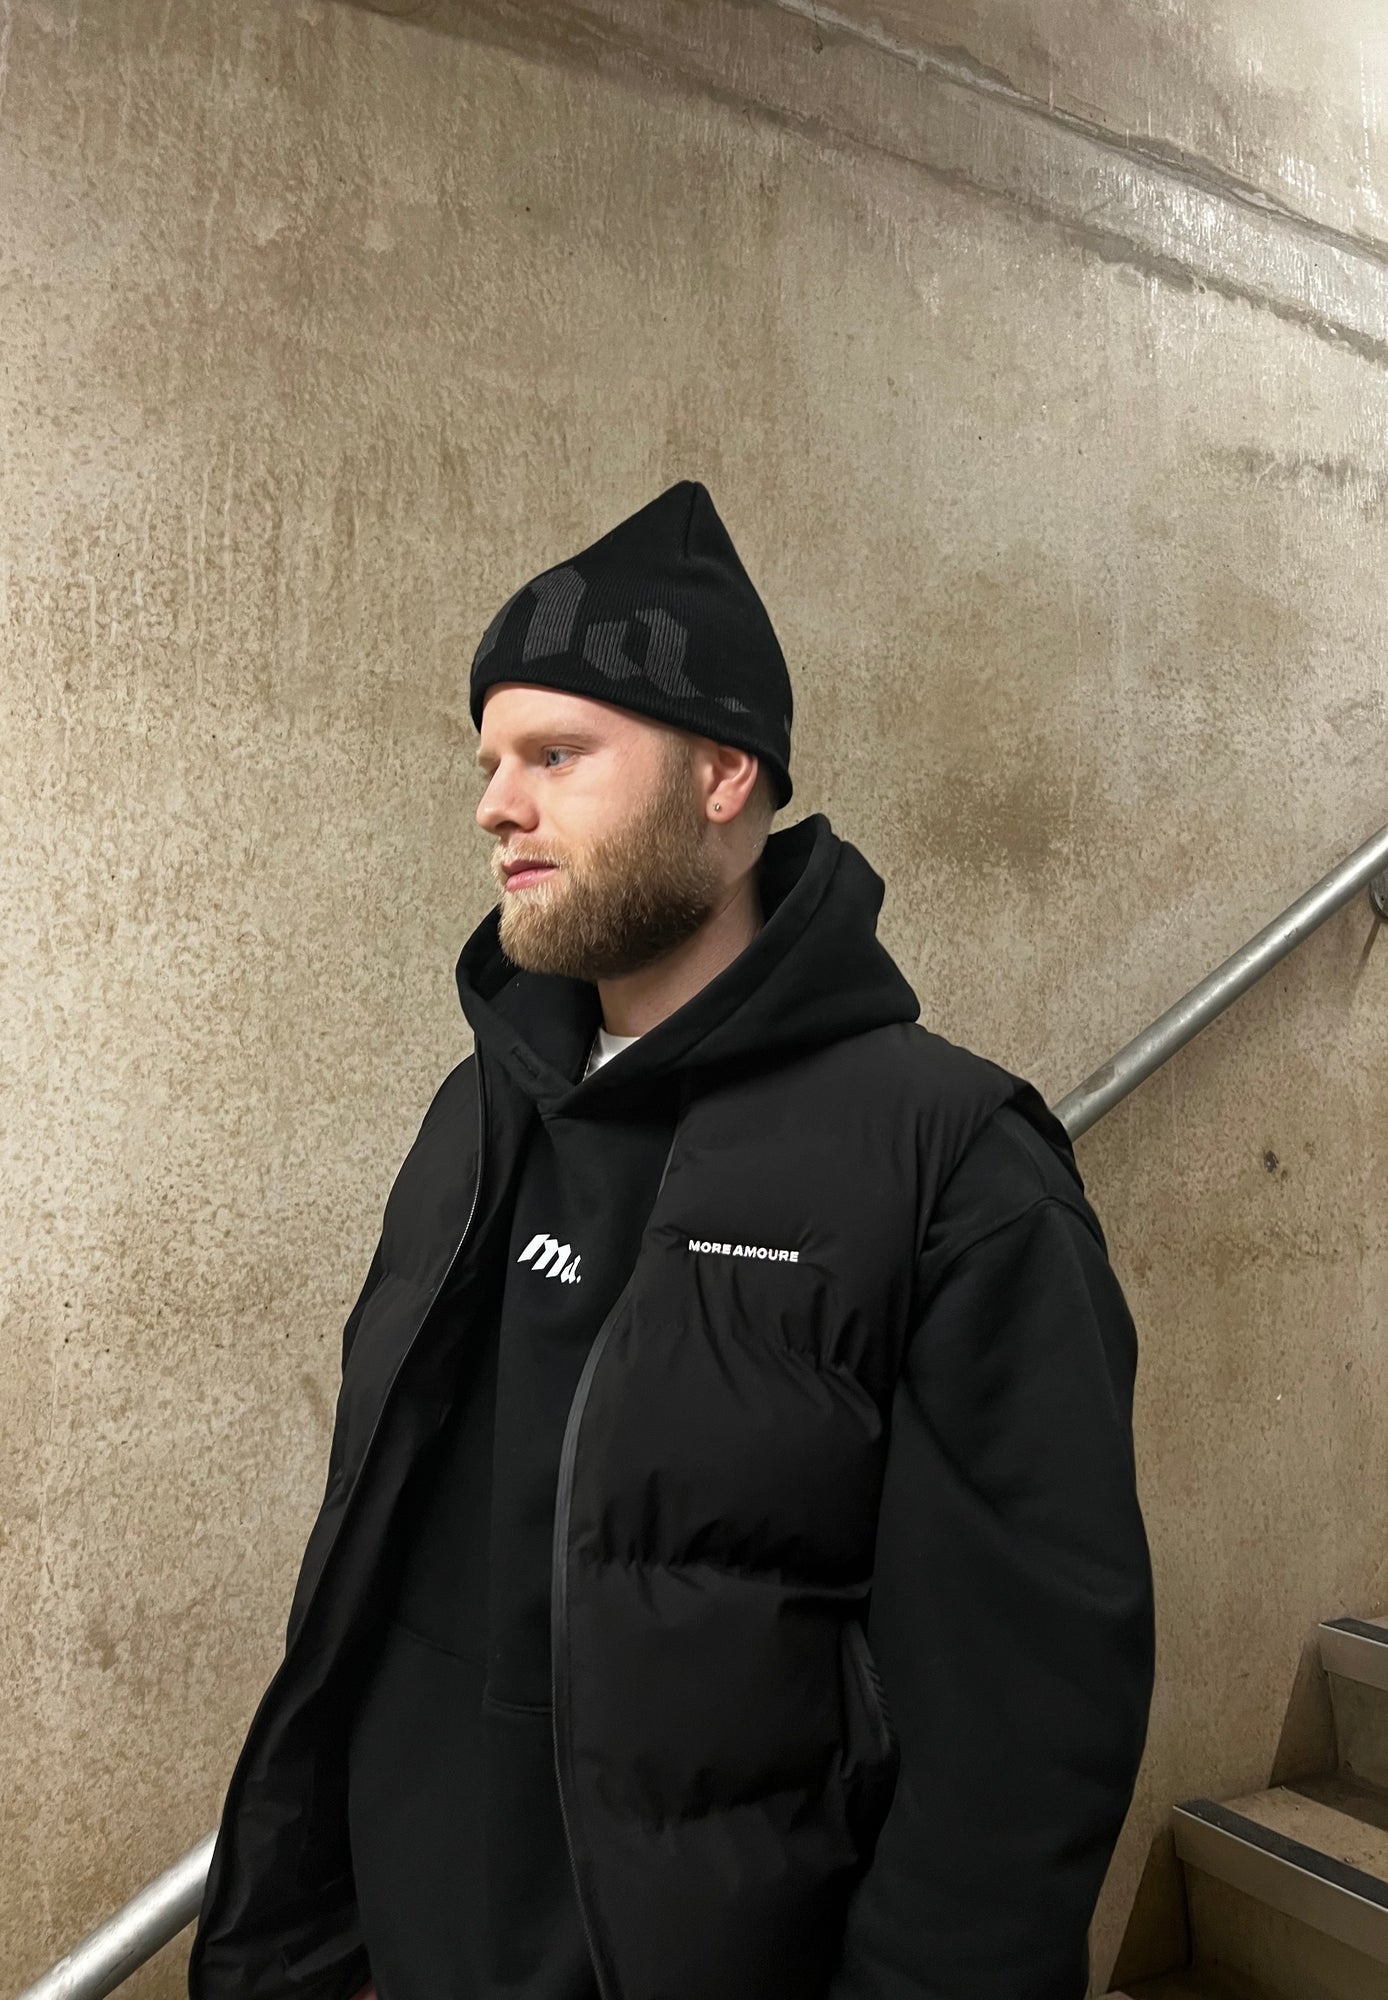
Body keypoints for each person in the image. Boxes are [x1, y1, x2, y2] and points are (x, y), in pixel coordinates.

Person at [189, 480, 1155, 2000]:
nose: (496, 805)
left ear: (722, 771)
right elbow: (377, 1571)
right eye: (490, 761)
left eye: (557, 754)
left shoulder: (952, 1163)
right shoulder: (477, 1114)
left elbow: (1020, 1739)